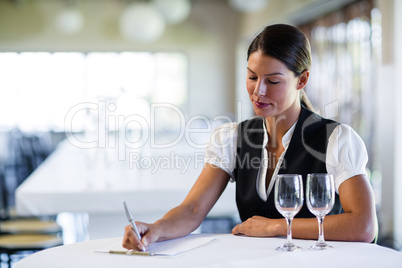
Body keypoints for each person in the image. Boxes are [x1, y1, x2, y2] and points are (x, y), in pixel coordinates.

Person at [122, 24, 378, 251]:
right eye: (252, 77)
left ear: (302, 79)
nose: (258, 91)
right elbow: (193, 210)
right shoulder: (232, 138)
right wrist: (155, 230)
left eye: (273, 81)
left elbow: (364, 225)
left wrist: (275, 227)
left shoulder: (336, 139)